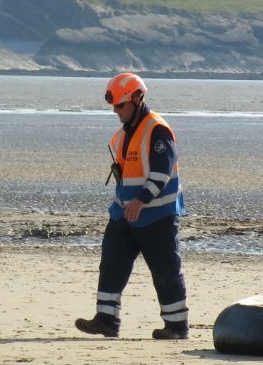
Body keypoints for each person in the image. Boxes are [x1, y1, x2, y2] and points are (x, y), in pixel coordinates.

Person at [75, 73, 189, 339]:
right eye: (113, 107)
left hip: (157, 215)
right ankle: (106, 319)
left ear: (137, 99)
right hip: (125, 215)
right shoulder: (123, 134)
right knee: (111, 265)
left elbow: (161, 172)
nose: (116, 111)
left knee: (165, 271)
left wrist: (140, 201)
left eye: (120, 106)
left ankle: (176, 326)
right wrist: (123, 207)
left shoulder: (157, 129)